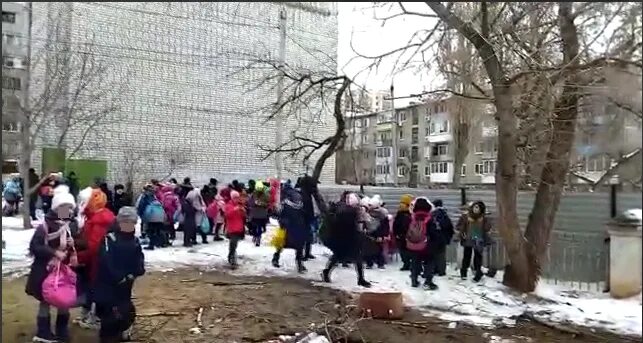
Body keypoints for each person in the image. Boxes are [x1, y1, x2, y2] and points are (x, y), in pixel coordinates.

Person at [25, 185, 77, 342]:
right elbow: (35, 246)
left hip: (65, 270)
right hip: (44, 269)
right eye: (63, 207)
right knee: (45, 301)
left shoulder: (72, 225)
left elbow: (82, 243)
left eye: (69, 207)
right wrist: (53, 252)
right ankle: (43, 332)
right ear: (56, 208)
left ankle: (62, 330)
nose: (67, 210)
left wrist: (74, 242)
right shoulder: (45, 226)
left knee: (64, 299)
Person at [93, 207, 145, 343]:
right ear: (119, 222)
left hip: (126, 284)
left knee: (126, 312)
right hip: (108, 285)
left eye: (131, 223)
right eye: (125, 222)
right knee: (109, 315)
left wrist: (137, 270)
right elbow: (106, 260)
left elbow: (138, 258)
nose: (128, 226)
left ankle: (121, 333)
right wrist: (119, 276)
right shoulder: (110, 239)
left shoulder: (134, 241)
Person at [76, 188, 116, 329]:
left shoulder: (99, 220)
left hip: (97, 263)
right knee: (92, 288)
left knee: (97, 289)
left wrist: (78, 257)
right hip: (95, 261)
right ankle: (90, 314)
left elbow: (94, 247)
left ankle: (97, 319)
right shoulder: (96, 217)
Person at [321, 192, 371, 288]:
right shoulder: (348, 212)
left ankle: (360, 278)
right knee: (342, 257)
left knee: (350, 258)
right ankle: (326, 272)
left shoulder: (346, 210)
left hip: (347, 239)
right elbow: (351, 226)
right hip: (347, 239)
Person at [272, 185, 308, 273]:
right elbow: (280, 215)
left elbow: (279, 215)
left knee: (285, 244)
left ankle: (276, 258)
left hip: (291, 228)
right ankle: (299, 264)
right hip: (294, 228)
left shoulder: (286, 204)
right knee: (296, 246)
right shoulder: (297, 205)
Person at [456, 201, 492, 282]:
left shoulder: (484, 218)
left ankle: (477, 274)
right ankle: (463, 273)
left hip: (478, 241)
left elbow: (488, 229)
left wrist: (484, 222)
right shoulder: (465, 217)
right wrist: (462, 233)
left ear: (481, 209)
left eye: (478, 208)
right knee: (466, 257)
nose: (476, 209)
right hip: (468, 240)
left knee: (478, 258)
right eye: (475, 207)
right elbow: (458, 226)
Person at [364, 196, 390, 269]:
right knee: (370, 249)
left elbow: (385, 226)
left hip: (376, 233)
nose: (368, 206)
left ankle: (378, 263)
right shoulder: (369, 213)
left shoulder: (381, 214)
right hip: (370, 233)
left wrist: (383, 235)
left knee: (377, 249)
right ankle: (373, 263)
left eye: (370, 205)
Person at [431, 199, 455, 276]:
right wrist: (448, 238)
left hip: (435, 237)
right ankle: (441, 271)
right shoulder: (444, 214)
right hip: (443, 238)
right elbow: (450, 227)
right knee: (441, 254)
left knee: (434, 254)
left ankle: (436, 269)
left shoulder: (433, 214)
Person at [224, 190, 246, 269]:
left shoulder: (239, 205)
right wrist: (234, 210)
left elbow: (243, 216)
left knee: (234, 243)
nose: (237, 199)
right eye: (235, 198)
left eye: (237, 197)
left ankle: (232, 256)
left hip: (239, 227)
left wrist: (243, 211)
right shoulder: (228, 205)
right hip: (232, 228)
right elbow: (227, 215)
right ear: (232, 198)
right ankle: (231, 257)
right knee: (233, 243)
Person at [392, 194, 413, 271]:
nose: (401, 205)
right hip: (400, 235)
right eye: (401, 203)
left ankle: (408, 264)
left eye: (403, 203)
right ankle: (406, 263)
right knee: (402, 250)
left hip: (407, 235)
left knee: (407, 250)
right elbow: (396, 224)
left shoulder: (410, 214)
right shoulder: (400, 213)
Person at [248, 181, 270, 247]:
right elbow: (250, 203)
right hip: (255, 213)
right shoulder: (253, 194)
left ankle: (258, 238)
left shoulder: (266, 195)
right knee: (254, 227)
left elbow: (268, 204)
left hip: (261, 213)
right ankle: (255, 236)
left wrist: (262, 204)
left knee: (259, 226)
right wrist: (254, 204)